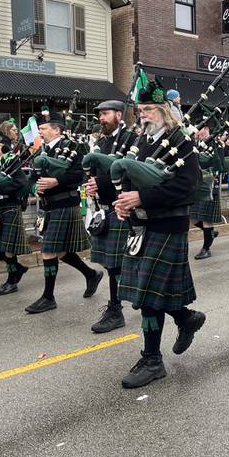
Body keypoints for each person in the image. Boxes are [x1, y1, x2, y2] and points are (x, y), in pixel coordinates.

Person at [114, 79, 205, 389]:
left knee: (149, 298)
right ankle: (185, 318)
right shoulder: (142, 141)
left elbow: (187, 186)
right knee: (148, 293)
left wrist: (142, 199)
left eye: (149, 109)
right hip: (140, 225)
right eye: (140, 110)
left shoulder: (181, 141)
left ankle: (153, 360)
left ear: (165, 110)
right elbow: (129, 175)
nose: (143, 115)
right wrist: (122, 202)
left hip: (168, 224)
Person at [25, 110, 102, 314]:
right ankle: (91, 274)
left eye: (43, 128)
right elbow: (32, 177)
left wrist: (56, 181)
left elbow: (80, 175)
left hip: (65, 203)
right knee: (60, 251)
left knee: (49, 249)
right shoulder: (41, 151)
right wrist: (35, 188)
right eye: (40, 128)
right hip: (49, 206)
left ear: (57, 129)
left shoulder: (73, 147)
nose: (40, 132)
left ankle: (48, 297)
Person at [84, 99, 134, 333]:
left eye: (106, 114)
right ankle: (118, 305)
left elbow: (127, 171)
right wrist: (91, 186)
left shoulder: (131, 138)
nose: (101, 118)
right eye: (100, 115)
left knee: (116, 264)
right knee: (112, 262)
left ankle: (116, 309)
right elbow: (95, 172)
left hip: (123, 206)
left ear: (119, 114)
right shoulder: (102, 142)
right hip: (106, 207)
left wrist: (100, 182)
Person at [0, 132, 32, 296]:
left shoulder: (12, 161)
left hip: (10, 206)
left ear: (3, 147)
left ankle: (12, 281)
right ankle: (18, 268)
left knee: (8, 249)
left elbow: (21, 183)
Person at [189, 126, 223, 260]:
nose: (197, 132)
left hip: (209, 184)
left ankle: (206, 248)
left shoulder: (216, 143)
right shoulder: (194, 143)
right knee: (192, 218)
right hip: (196, 185)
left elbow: (219, 165)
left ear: (206, 129)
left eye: (200, 129)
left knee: (206, 219)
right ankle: (210, 233)